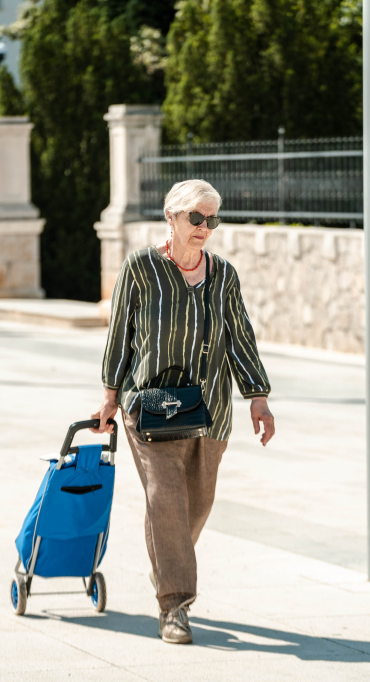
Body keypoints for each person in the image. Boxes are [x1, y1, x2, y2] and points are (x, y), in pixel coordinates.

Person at [92, 179, 276, 645]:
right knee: (166, 500)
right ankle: (174, 604)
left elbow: (240, 336)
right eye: (196, 217)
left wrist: (257, 395)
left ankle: (167, 560)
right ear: (170, 217)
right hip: (149, 407)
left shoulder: (223, 275)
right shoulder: (140, 268)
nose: (204, 227)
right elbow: (120, 336)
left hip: (210, 408)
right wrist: (110, 397)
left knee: (197, 503)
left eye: (211, 219)